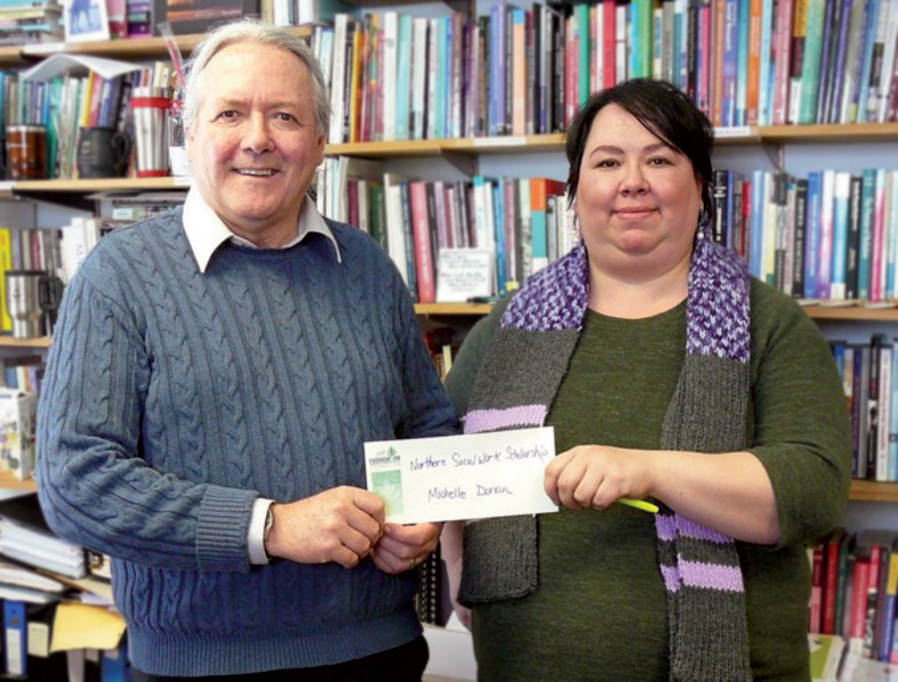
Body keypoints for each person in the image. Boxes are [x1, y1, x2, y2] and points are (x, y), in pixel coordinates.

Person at [36, 19, 456, 681]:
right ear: (191, 133)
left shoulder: (368, 267)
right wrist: (269, 526)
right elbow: (75, 483)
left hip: (381, 652)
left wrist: (424, 508)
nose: (257, 138)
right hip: (199, 666)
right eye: (231, 112)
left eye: (284, 116)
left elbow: (429, 425)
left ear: (319, 143)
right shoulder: (119, 277)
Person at [441, 78, 852, 682]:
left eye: (659, 158)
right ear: (576, 193)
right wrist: (458, 572)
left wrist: (649, 469)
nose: (632, 180)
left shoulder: (769, 324)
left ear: (701, 188)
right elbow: (443, 465)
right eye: (607, 161)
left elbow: (812, 493)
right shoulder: (506, 326)